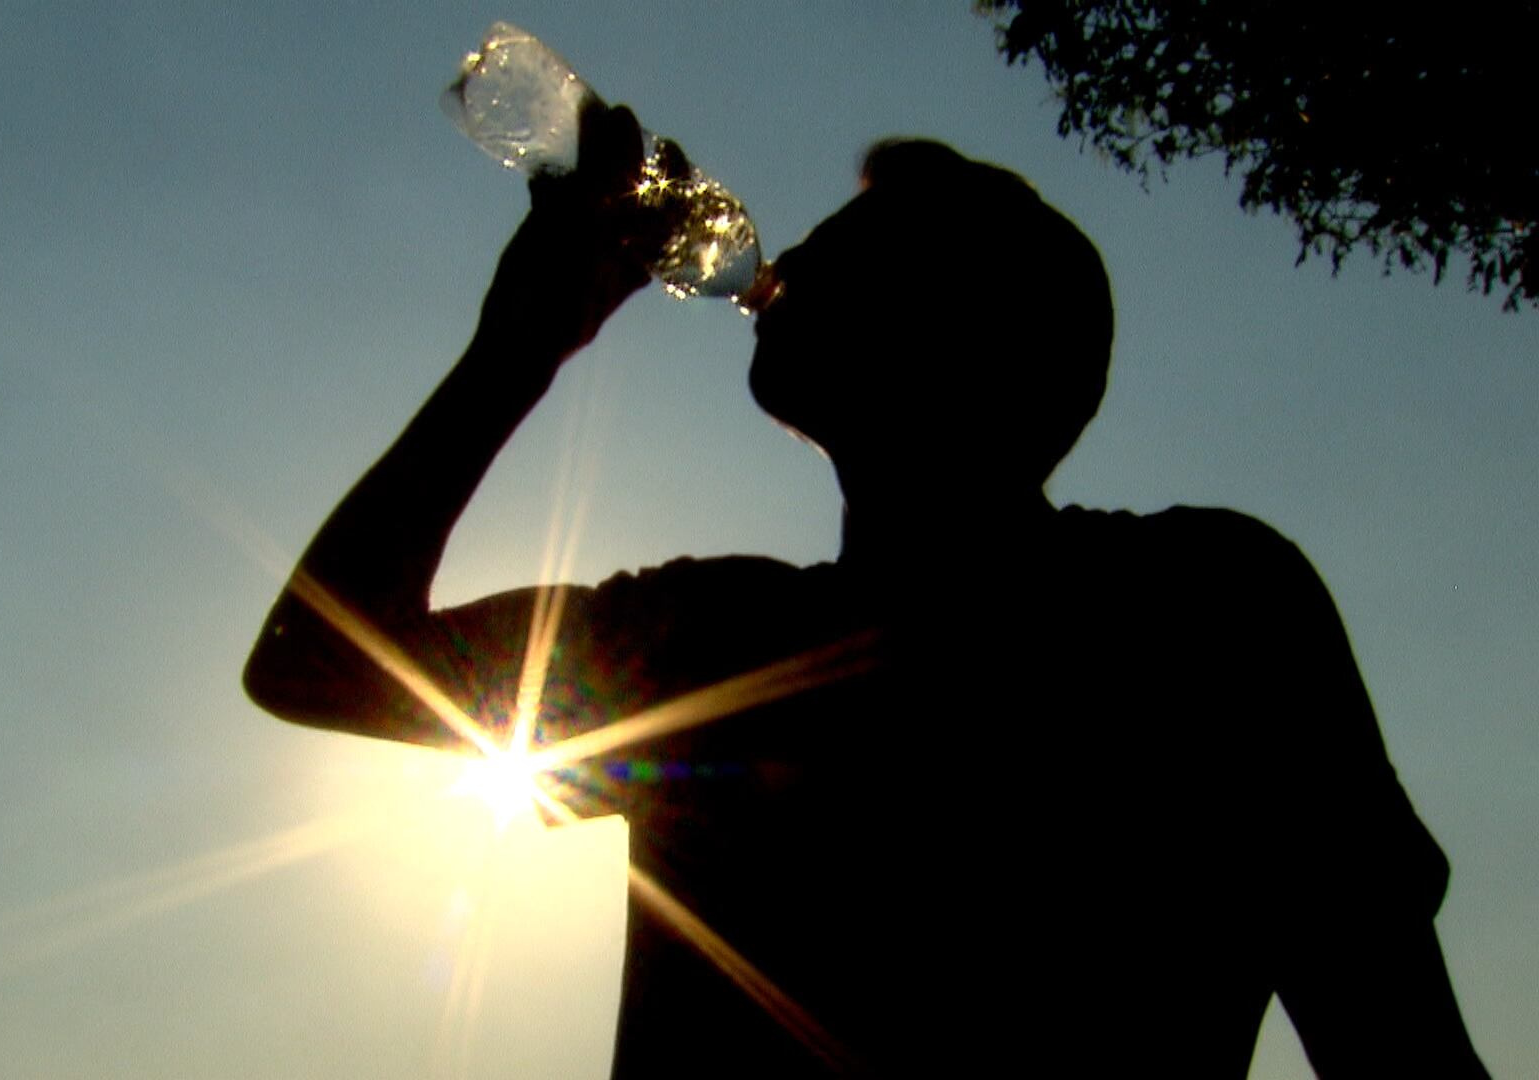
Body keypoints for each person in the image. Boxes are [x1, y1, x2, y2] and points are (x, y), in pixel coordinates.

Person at [245, 104, 1490, 1077]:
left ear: (967, 326)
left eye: (866, 236)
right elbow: (310, 663)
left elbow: (1393, 1040)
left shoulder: (1198, 605)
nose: (796, 252)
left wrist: (513, 352)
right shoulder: (712, 628)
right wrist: (521, 338)